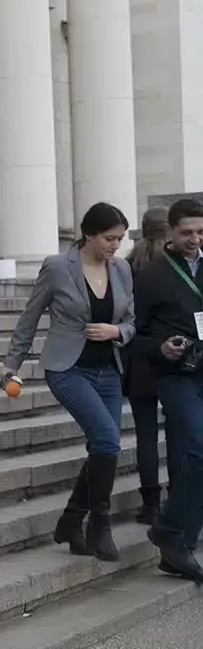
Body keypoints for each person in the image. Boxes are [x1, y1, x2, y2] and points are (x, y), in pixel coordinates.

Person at [5, 203, 133, 562]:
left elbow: (132, 321)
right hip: (68, 369)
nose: (115, 245)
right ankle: (99, 524)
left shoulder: (122, 269)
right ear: (88, 234)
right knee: (107, 440)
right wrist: (12, 365)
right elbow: (30, 317)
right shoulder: (58, 267)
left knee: (103, 446)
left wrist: (116, 331)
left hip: (108, 370)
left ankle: (71, 521)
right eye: (109, 238)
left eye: (120, 239)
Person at [131, 197, 203, 583]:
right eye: (187, 232)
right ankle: (170, 531)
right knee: (199, 448)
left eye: (201, 232)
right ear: (171, 232)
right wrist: (160, 347)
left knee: (195, 456)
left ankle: (179, 545)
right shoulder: (151, 276)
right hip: (174, 375)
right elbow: (132, 334)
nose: (195, 239)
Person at [126, 206, 176, 523]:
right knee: (176, 433)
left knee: (145, 434)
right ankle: (176, 498)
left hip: (139, 356)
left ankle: (150, 504)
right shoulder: (173, 265)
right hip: (173, 357)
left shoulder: (128, 264)